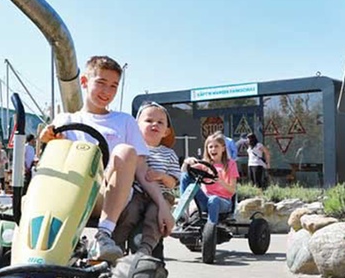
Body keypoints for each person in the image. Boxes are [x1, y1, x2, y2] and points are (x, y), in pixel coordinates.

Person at [40, 56, 170, 262]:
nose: (107, 92)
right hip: (70, 190)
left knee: (126, 151)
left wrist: (162, 205)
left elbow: (142, 170)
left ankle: (104, 234)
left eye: (113, 86)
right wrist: (49, 141)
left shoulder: (124, 121)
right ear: (84, 82)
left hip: (107, 192)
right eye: (101, 83)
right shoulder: (66, 120)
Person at [133, 102, 181, 255]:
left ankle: (146, 249)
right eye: (148, 121)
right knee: (128, 212)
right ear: (136, 126)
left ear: (166, 131)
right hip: (137, 194)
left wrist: (161, 175)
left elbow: (173, 182)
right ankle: (116, 244)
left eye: (160, 122)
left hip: (161, 195)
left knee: (154, 215)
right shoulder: (132, 150)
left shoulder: (169, 154)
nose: (155, 124)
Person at [180, 131, 239, 226]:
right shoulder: (204, 164)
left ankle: (211, 227)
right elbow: (184, 173)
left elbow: (232, 190)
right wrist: (186, 162)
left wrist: (220, 180)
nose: (213, 149)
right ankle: (182, 213)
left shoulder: (230, 164)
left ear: (223, 148)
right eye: (210, 147)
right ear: (207, 149)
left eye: (216, 146)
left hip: (223, 202)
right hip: (205, 200)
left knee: (214, 199)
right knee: (186, 175)